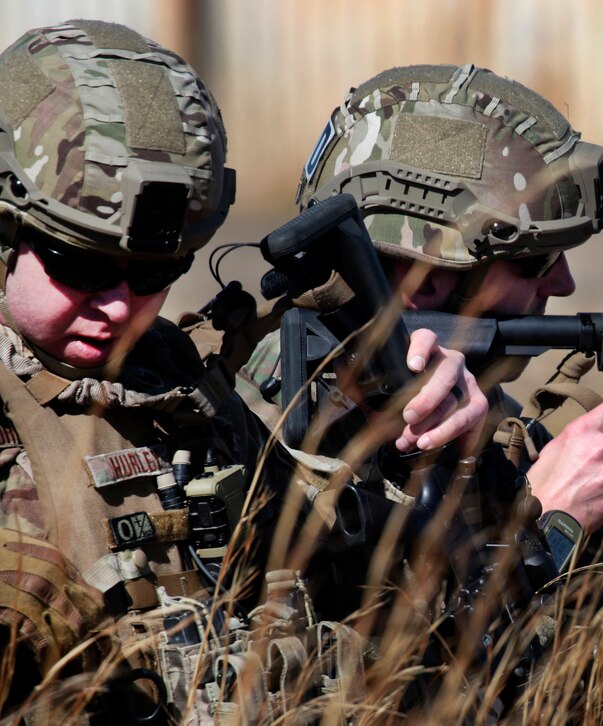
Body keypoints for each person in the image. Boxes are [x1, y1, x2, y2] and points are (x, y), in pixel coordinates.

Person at [234, 64, 603, 718]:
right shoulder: (259, 451)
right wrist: (545, 527)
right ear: (424, 279)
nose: (562, 286)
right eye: (531, 261)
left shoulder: (502, 445)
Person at [0, 22, 487, 721]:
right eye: (80, 264)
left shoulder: (180, 385)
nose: (118, 306)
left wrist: (431, 457)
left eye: (155, 274)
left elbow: (372, 597)